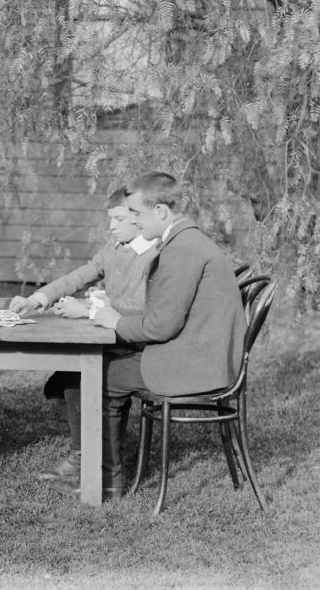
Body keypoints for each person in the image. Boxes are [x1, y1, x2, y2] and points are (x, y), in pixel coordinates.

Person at [90, 171, 246, 498]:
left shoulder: (182, 249)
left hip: (196, 366)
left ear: (161, 211)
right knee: (109, 364)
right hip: (204, 355)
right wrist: (116, 316)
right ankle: (103, 471)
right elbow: (164, 312)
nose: (133, 221)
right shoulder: (187, 240)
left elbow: (162, 326)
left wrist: (115, 323)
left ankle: (106, 481)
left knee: (96, 376)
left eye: (136, 214)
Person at [7, 186, 158, 488]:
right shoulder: (114, 248)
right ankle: (88, 452)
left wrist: (89, 308)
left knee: (76, 381)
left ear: (137, 219)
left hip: (137, 343)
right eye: (110, 219)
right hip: (111, 337)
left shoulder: (154, 255)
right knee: (59, 385)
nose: (111, 226)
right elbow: (80, 275)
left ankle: (89, 459)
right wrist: (38, 298)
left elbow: (143, 307)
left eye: (117, 219)